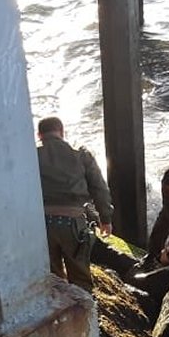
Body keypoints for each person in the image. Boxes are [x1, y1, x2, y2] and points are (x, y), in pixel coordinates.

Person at [36, 116, 113, 291]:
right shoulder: (81, 155)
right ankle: (85, 307)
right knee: (80, 280)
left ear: (39, 135)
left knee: (53, 281)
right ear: (62, 132)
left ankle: (58, 307)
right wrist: (106, 219)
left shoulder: (32, 156)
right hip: (73, 225)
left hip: (42, 226)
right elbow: (99, 188)